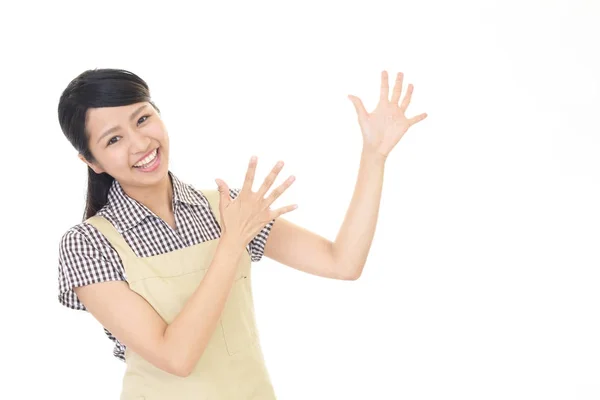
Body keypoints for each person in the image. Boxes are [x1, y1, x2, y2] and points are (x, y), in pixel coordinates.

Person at [57, 68, 427, 399]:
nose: (140, 144)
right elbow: (176, 357)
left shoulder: (226, 206)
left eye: (142, 119)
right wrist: (231, 244)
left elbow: (342, 262)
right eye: (113, 140)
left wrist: (374, 156)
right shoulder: (87, 244)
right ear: (91, 161)